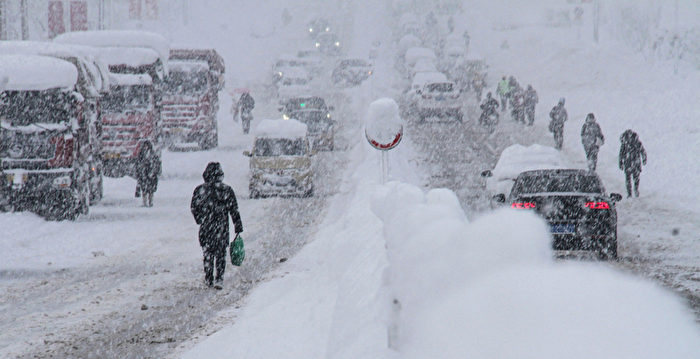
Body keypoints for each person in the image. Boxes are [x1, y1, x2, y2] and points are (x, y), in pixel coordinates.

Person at [191, 162, 244, 289]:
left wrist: (200, 219)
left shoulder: (200, 190)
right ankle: (219, 278)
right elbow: (234, 210)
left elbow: (194, 207)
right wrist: (238, 226)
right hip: (221, 227)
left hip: (206, 228)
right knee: (220, 254)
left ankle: (208, 278)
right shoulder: (226, 190)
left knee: (208, 253)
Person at [618, 130, 647, 198]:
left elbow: (621, 154)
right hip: (634, 163)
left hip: (629, 163)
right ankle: (634, 191)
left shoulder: (626, 144)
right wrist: (644, 159)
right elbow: (643, 151)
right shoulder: (635, 143)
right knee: (635, 178)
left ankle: (631, 192)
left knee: (629, 179)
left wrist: (621, 162)